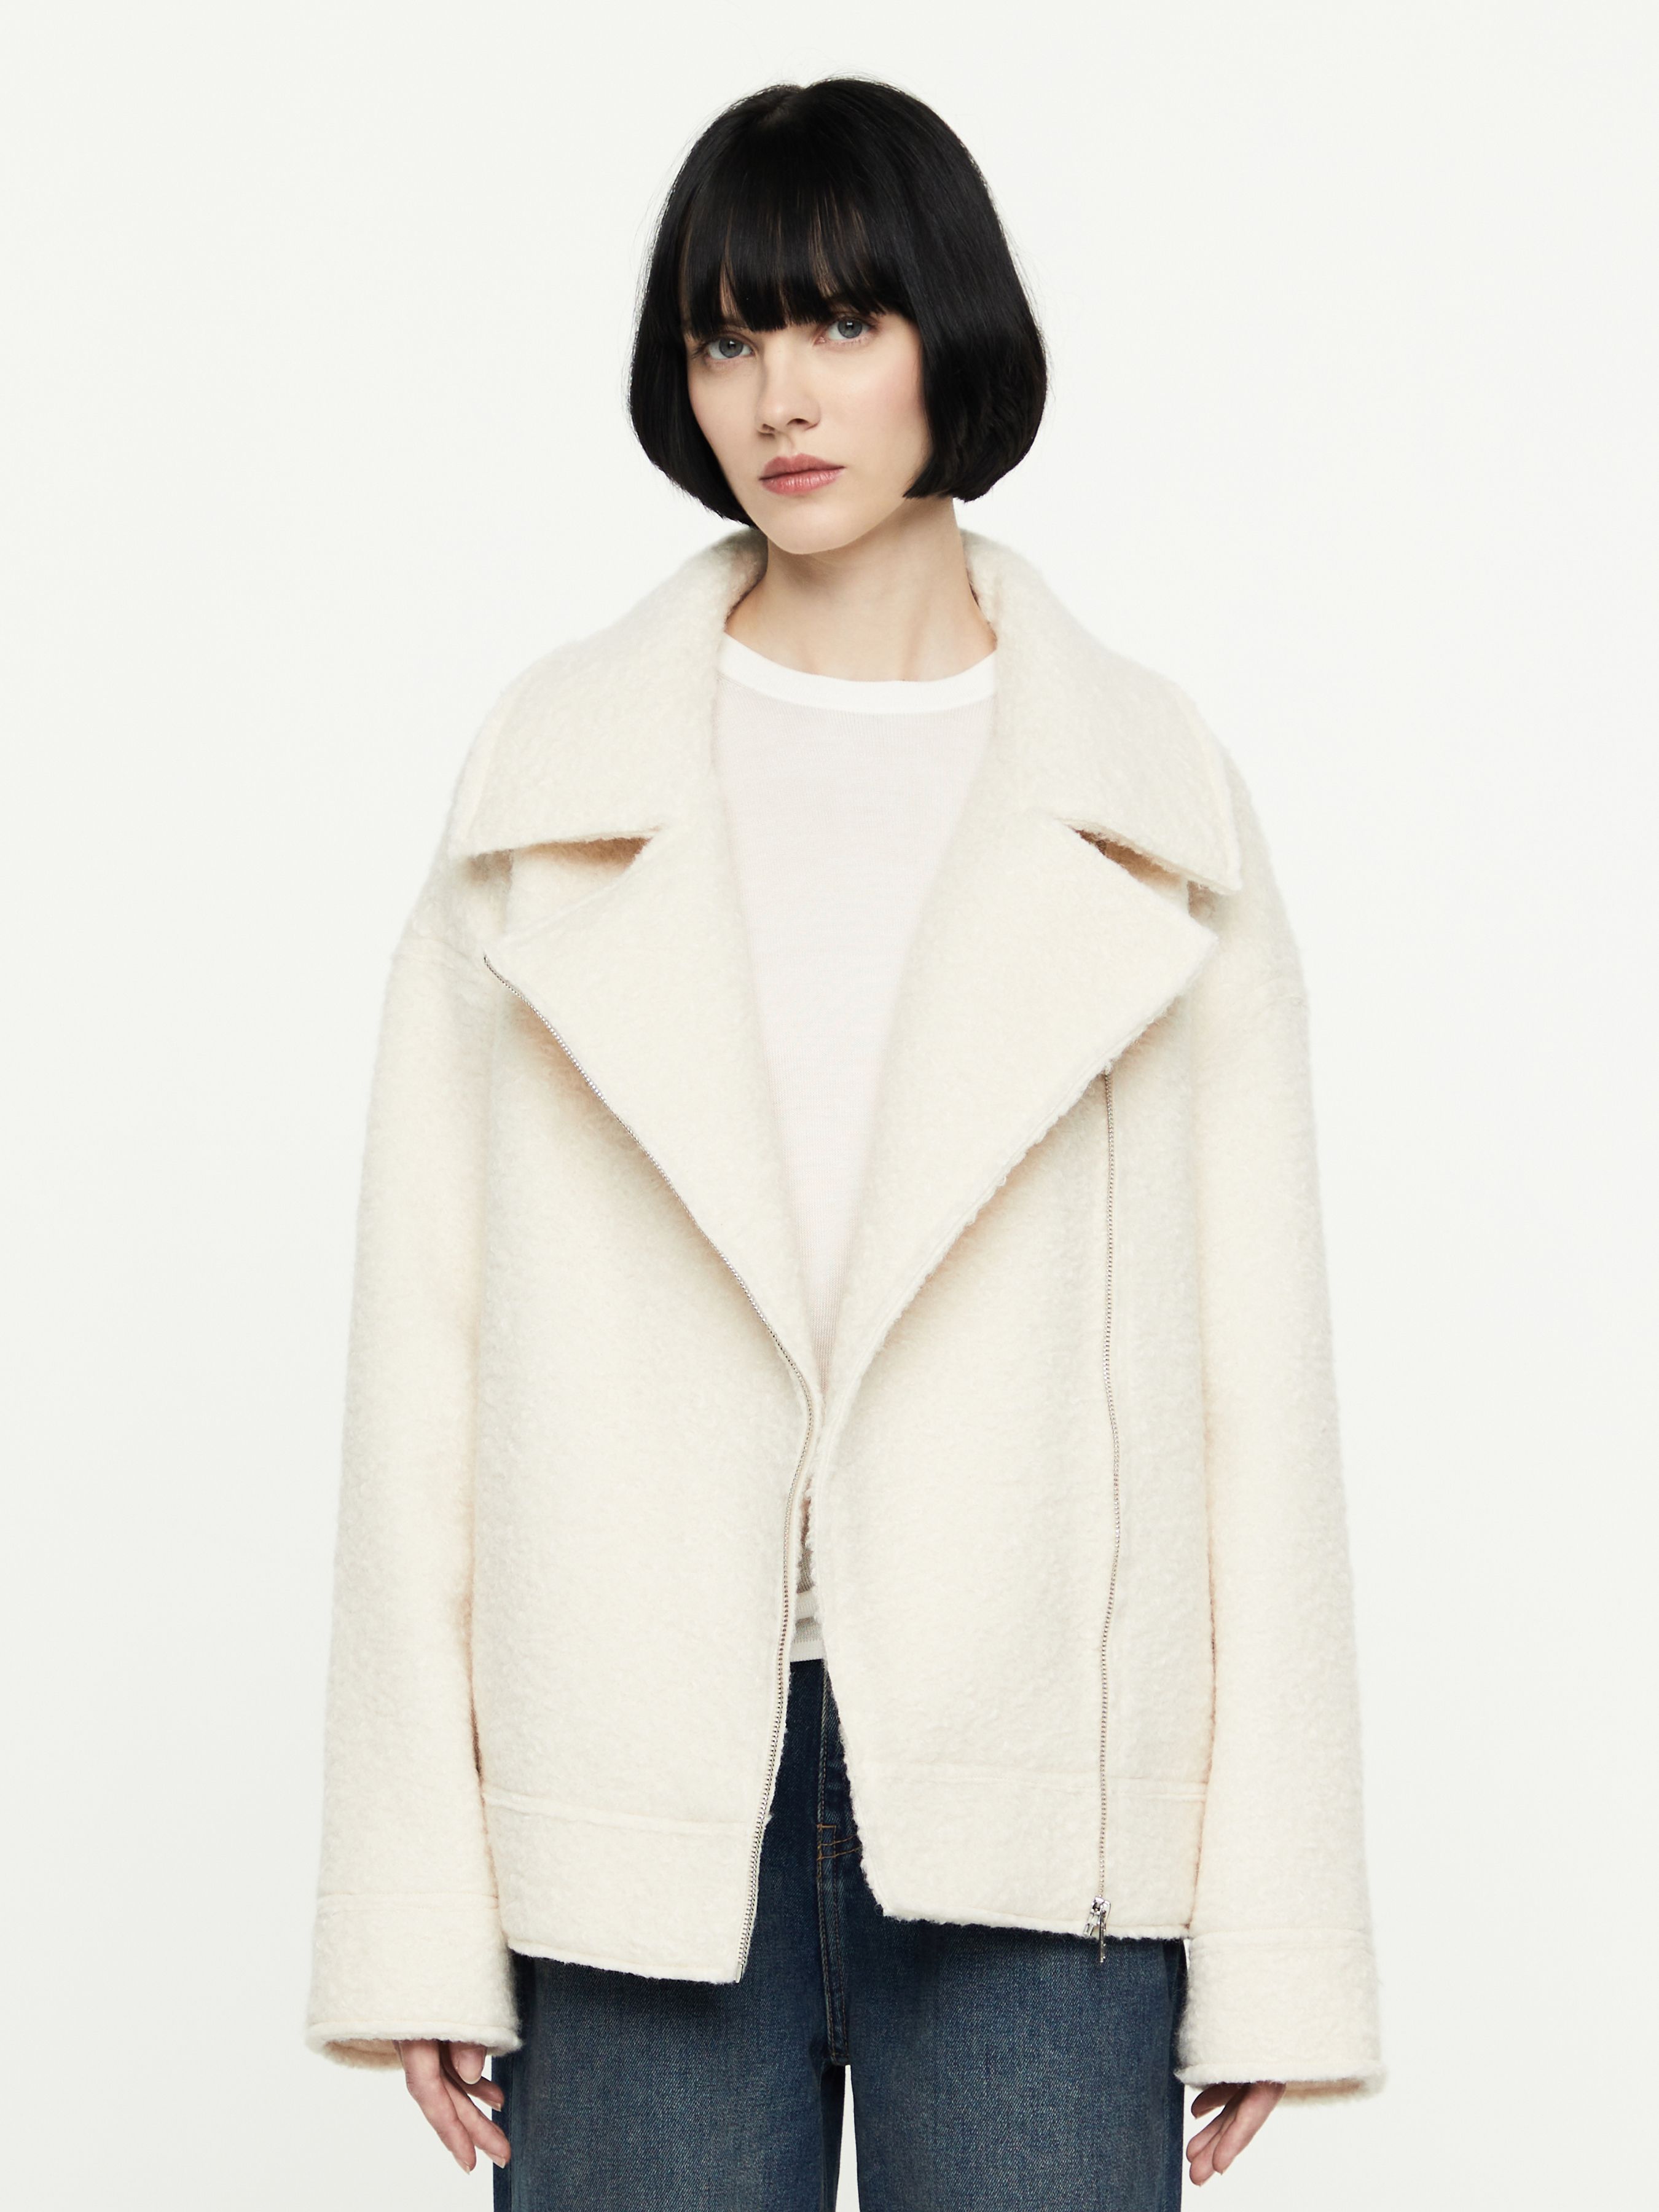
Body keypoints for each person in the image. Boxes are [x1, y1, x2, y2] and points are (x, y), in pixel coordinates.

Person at [305, 77, 1384, 2208]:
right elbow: (422, 1366)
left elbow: (1256, 1401)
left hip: (1046, 1807)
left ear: (943, 336)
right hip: (627, 1793)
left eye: (839, 321)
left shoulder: (1147, 794)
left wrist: (1277, 1936)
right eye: (725, 337)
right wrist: (416, 1901)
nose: (779, 395)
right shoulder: (552, 776)